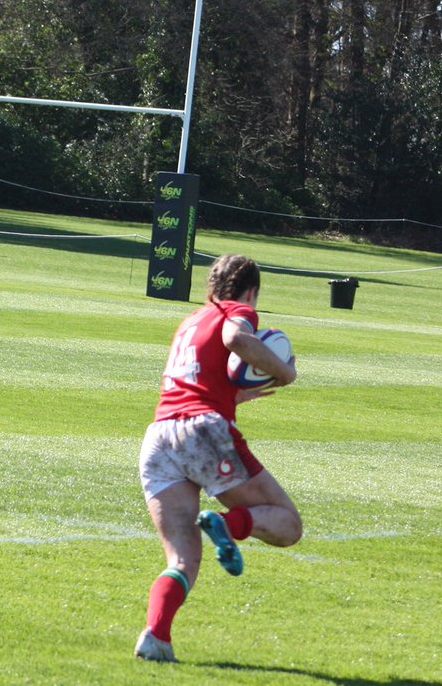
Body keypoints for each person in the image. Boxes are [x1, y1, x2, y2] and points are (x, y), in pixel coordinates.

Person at [134, 254, 300, 663]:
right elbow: (237, 341)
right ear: (252, 291)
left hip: (159, 437)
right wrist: (286, 372)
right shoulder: (238, 310)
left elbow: (197, 378)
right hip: (201, 430)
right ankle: (225, 523)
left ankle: (156, 638)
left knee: (182, 558)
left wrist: (238, 394)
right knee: (287, 524)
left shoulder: (191, 321)